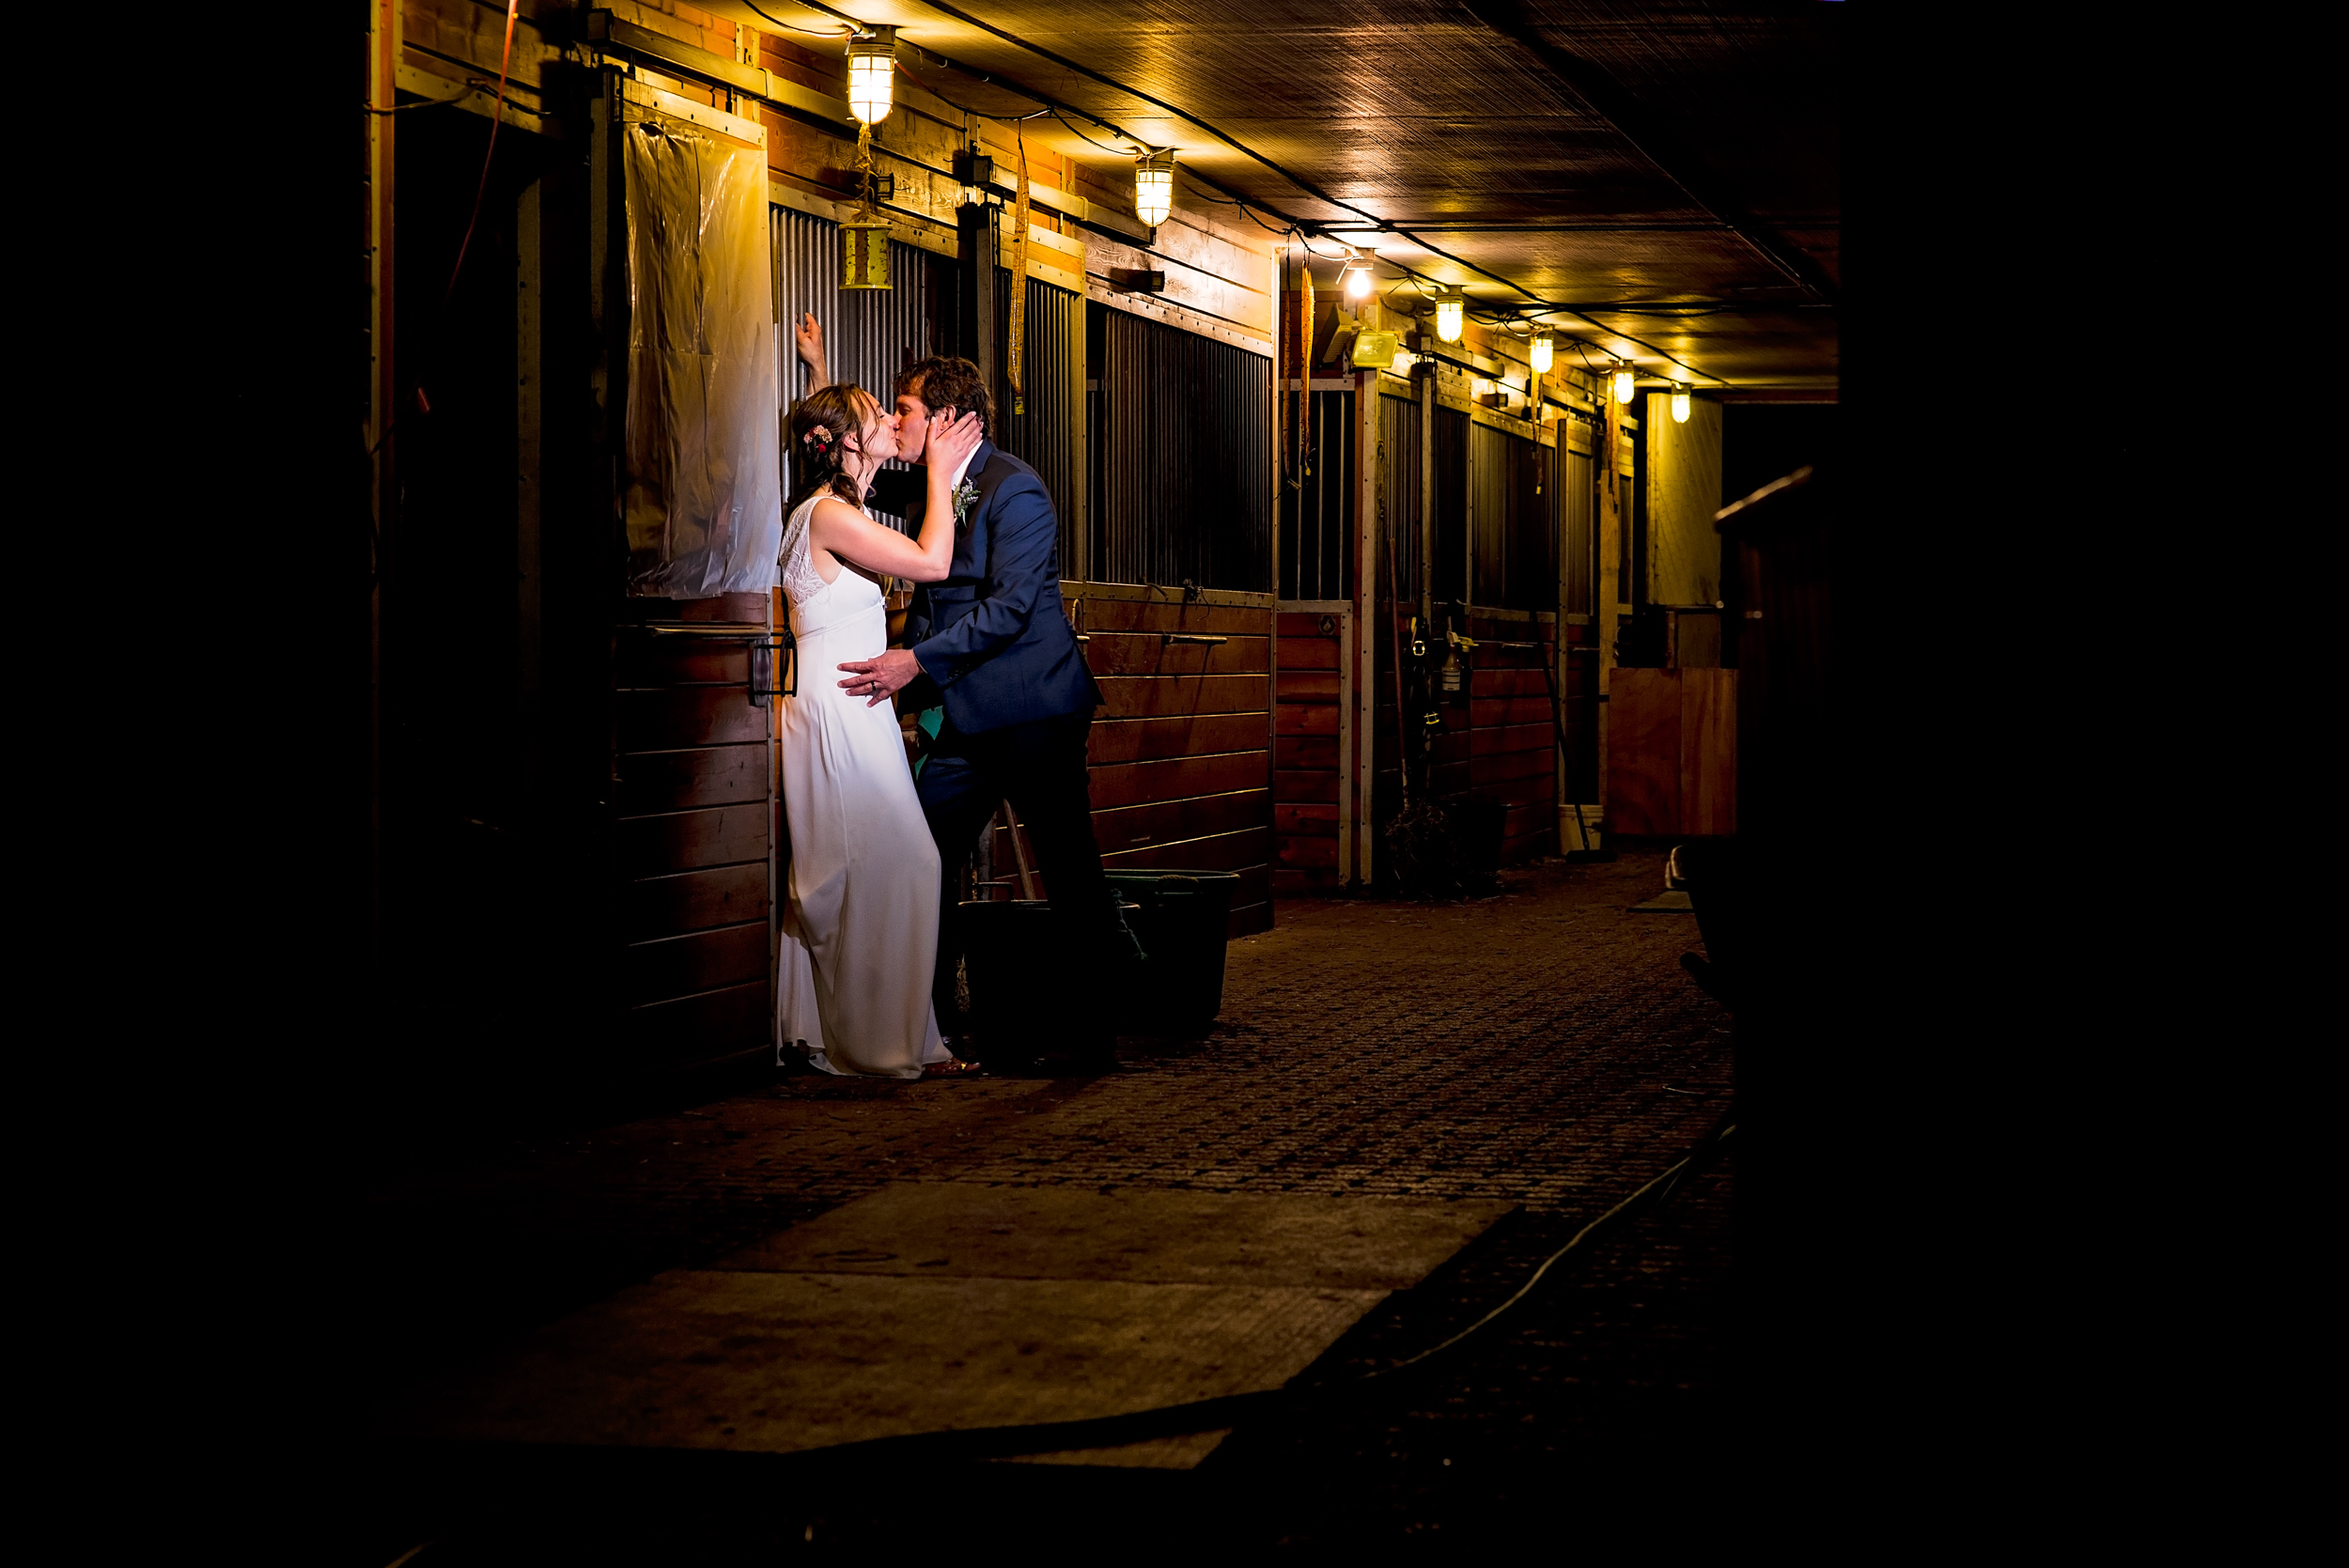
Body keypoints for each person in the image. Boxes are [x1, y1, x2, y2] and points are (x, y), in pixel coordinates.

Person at [794, 315, 1126, 1066]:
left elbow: (1011, 610)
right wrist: (819, 372)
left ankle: (1092, 1036)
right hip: (967, 723)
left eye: (905, 410)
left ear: (944, 418)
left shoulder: (1018, 492)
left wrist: (917, 663)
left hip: (1033, 710)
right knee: (923, 853)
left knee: (1069, 867)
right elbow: (844, 467)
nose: (895, 422)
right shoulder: (934, 487)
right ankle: (932, 1025)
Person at [773, 377, 987, 1079]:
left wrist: (816, 367)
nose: (887, 423)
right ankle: (872, 1041)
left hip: (850, 710)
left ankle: (845, 1031)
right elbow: (932, 562)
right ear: (841, 447)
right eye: (873, 417)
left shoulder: (835, 509)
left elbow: (830, 421)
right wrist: (941, 474)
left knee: (862, 870)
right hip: (838, 712)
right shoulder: (828, 516)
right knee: (884, 866)